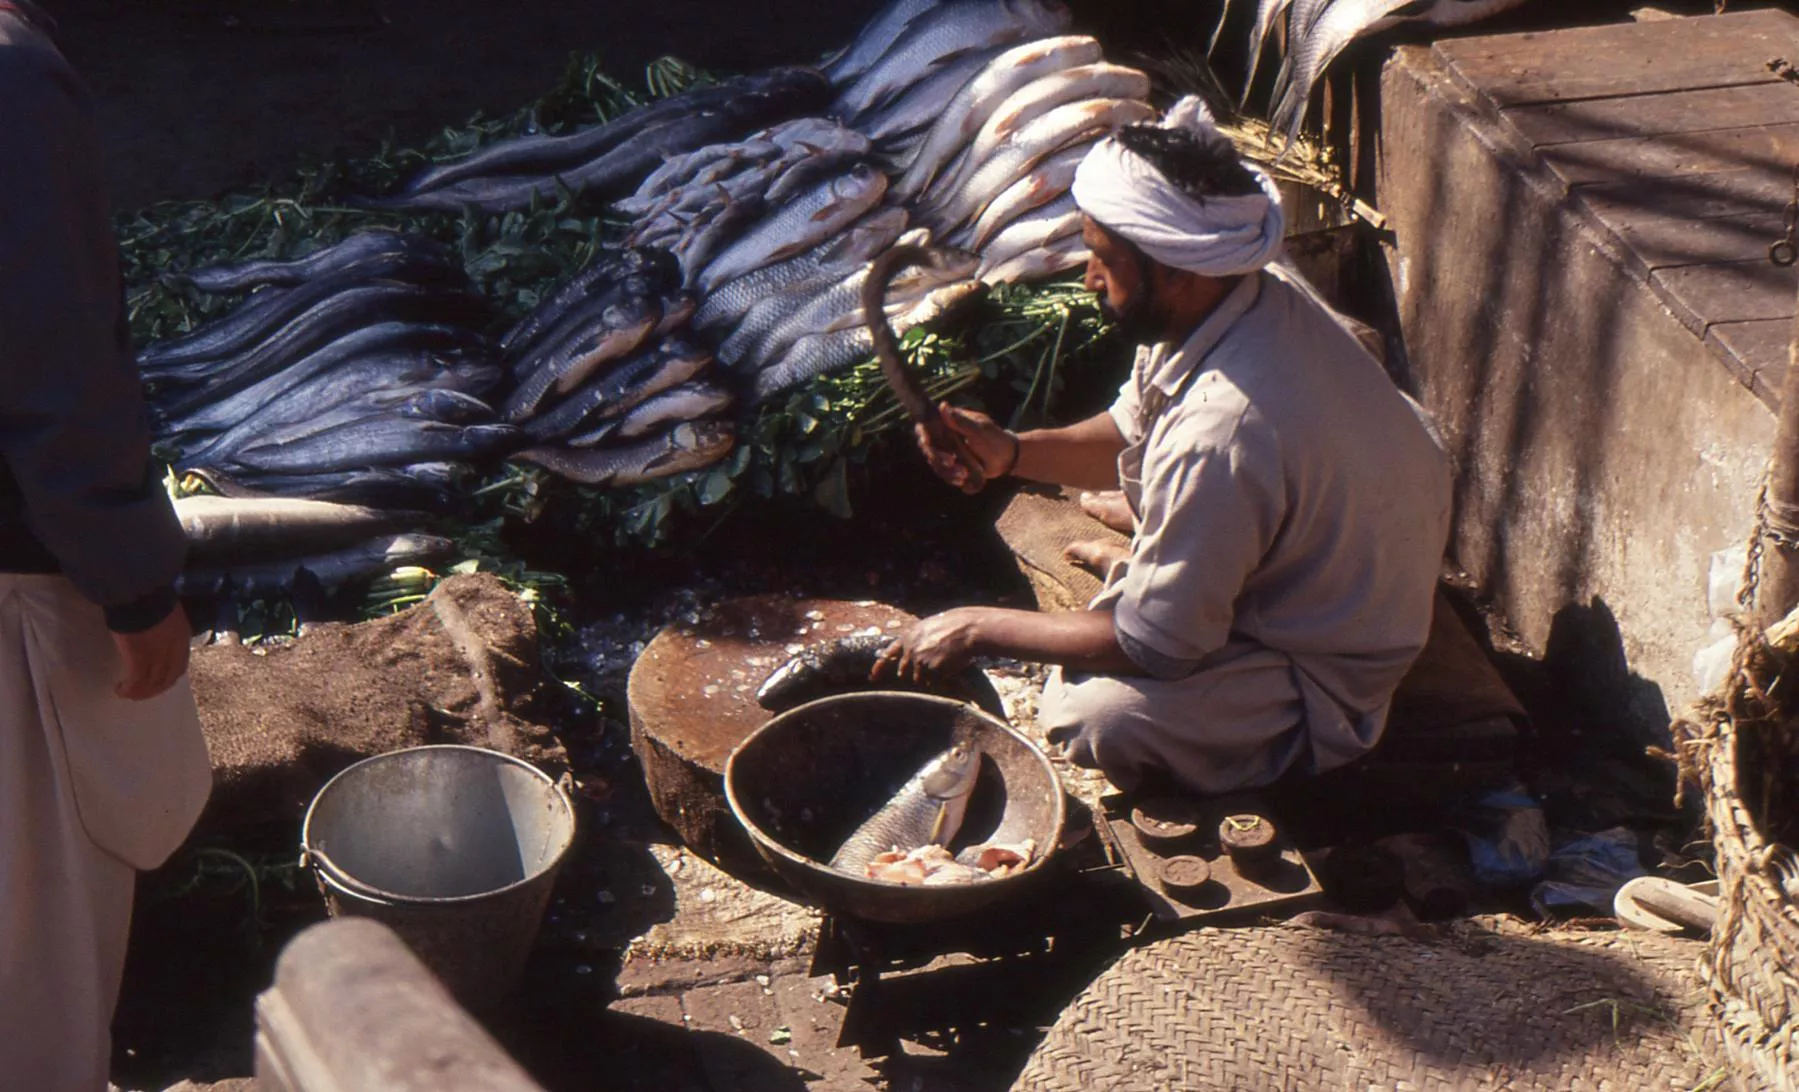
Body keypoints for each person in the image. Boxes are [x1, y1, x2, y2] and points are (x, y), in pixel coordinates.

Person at [874, 97, 1451, 797]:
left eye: (1103, 260)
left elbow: (1157, 650)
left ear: (1176, 269)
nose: (1088, 280)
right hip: (1332, 550)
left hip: (1329, 661)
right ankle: (1180, 568)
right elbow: (1128, 431)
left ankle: (1291, 711)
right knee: (1144, 551)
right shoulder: (1243, 301)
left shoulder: (1221, 432)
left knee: (1096, 716)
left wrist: (974, 627)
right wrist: (1011, 452)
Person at [0, 3, 214, 1088]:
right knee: (37, 959)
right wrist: (133, 586)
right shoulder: (7, 80)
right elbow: (54, 364)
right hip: (17, 585)